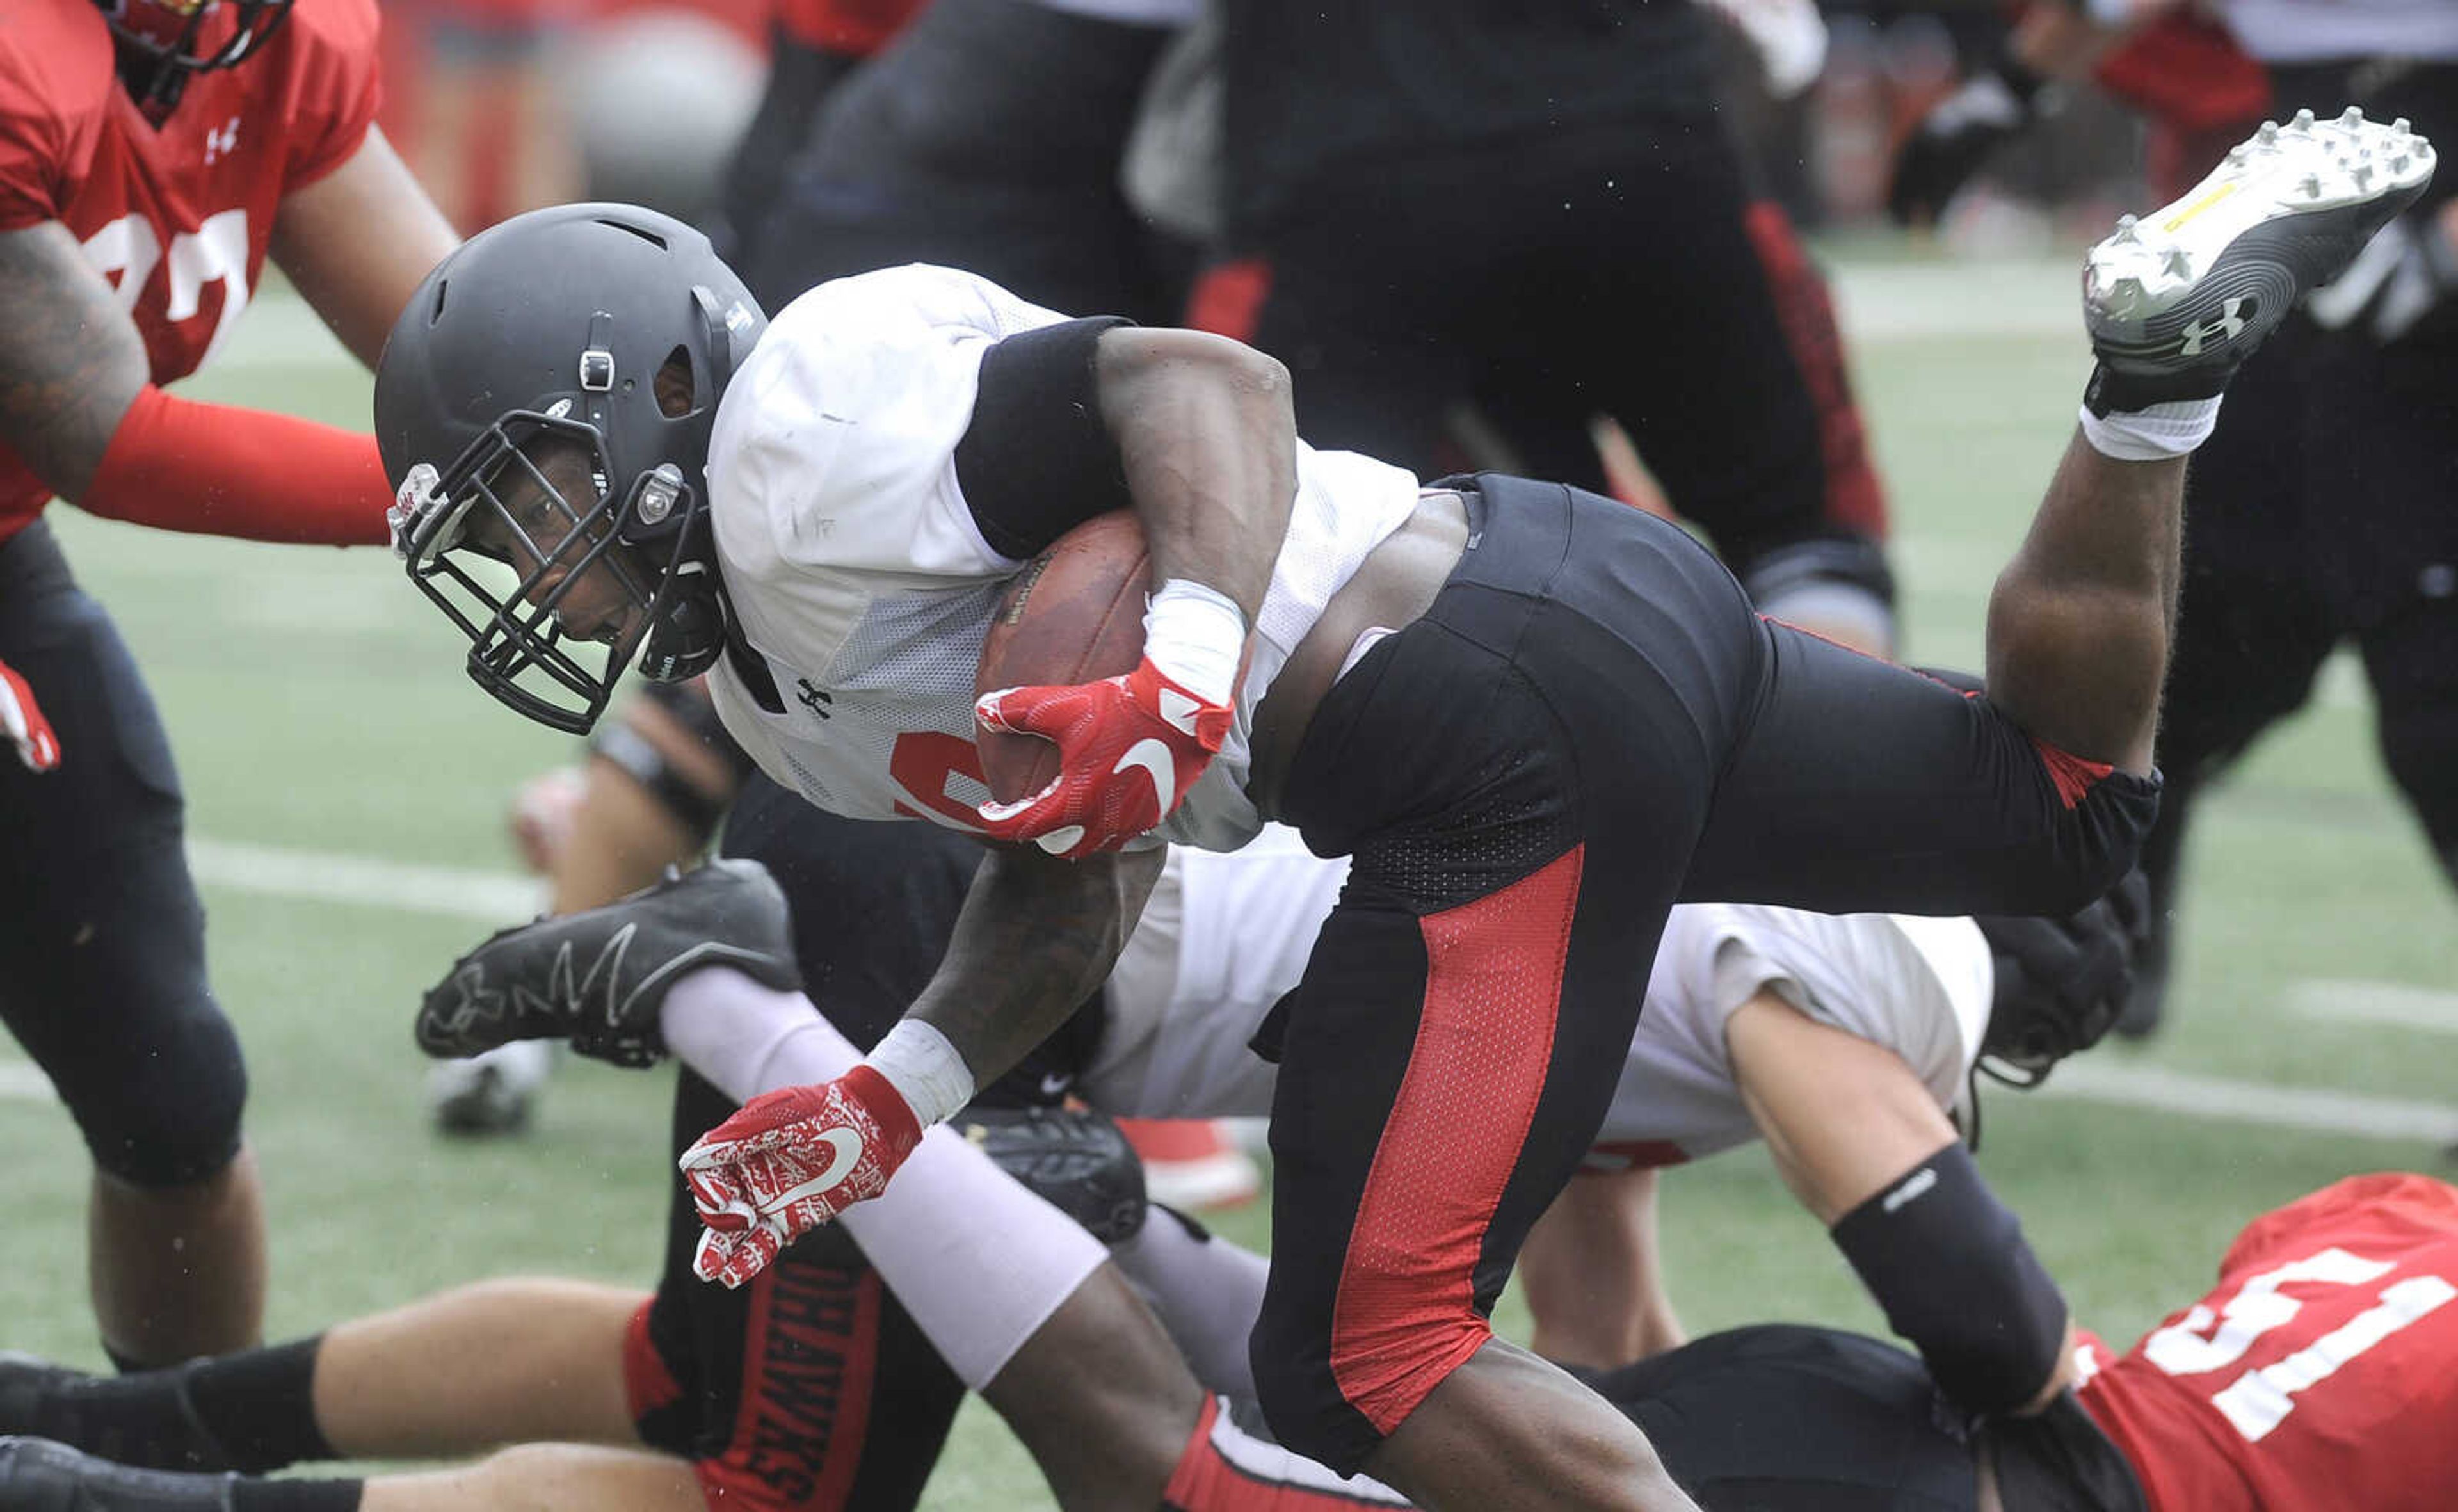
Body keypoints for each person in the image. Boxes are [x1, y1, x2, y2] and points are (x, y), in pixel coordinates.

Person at [371, 112, 2428, 1510]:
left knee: (1367, 1362)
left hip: (1461, 725)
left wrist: (1182, 654)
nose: (535, 575)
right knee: (2060, 814)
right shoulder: (773, 683)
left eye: (531, 502)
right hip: (1571, 599)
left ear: (646, 396)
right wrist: (901, 1088)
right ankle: (2148, 385)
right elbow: (1067, 896)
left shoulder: (799, 451)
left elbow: (1207, 387)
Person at [0, 833, 2146, 1512]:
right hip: (972, 969)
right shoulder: (1883, 978)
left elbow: (1602, 1356)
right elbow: (1953, 1274)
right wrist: (2075, 1406)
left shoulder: (1693, 934)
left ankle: (102, 1430)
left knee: (690, 1371)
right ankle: (106, 1498)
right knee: (774, 1492)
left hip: (965, 923)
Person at [0, 0, 460, 1368]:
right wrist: (472, 500)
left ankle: (175, 1460)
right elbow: (114, 440)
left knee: (173, 1090)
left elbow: (462, 339)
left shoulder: (284, 43)